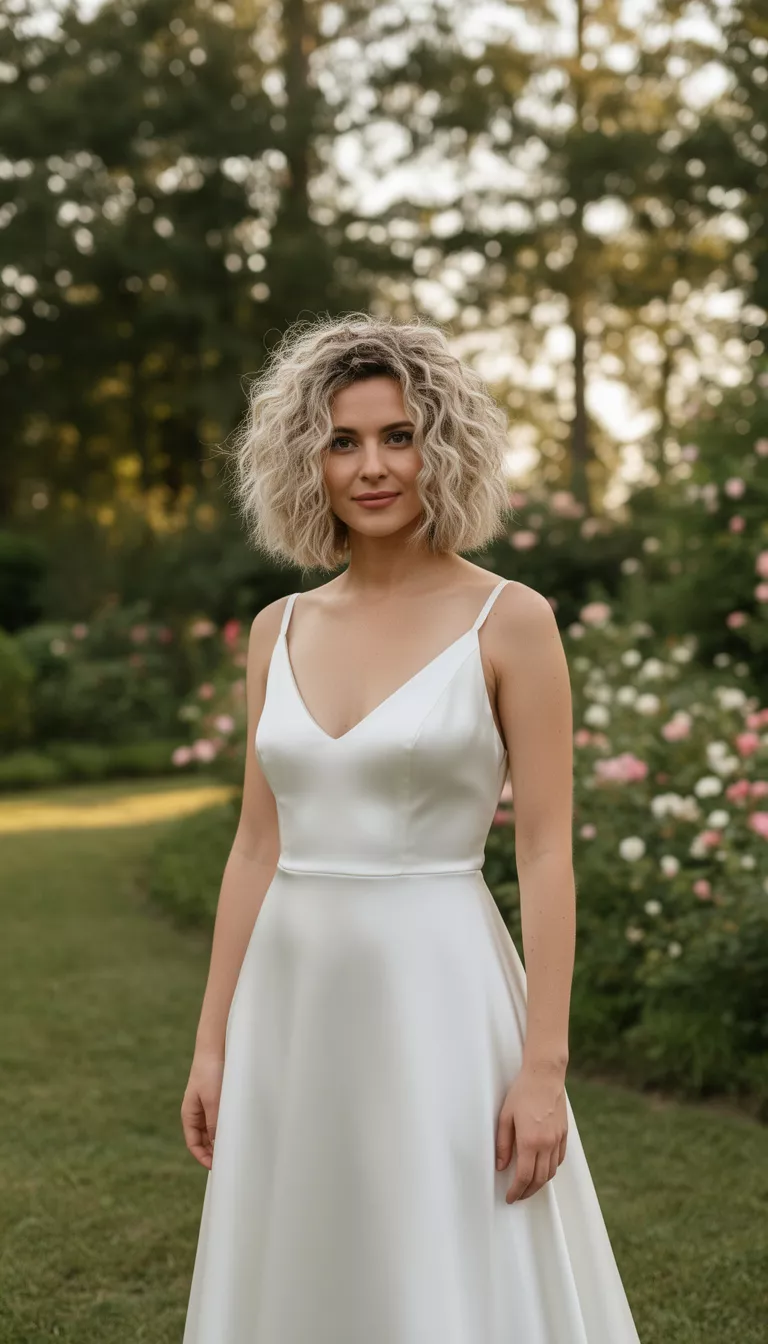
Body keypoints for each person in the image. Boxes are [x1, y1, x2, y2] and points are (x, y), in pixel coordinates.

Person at [180, 312, 642, 1343]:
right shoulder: (278, 630)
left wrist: (544, 1066)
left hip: (441, 991)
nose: (374, 466)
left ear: (444, 447)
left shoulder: (511, 620)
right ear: (309, 461)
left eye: (400, 435)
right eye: (344, 441)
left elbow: (546, 850)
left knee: (443, 1258)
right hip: (290, 999)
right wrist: (213, 1043)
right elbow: (258, 845)